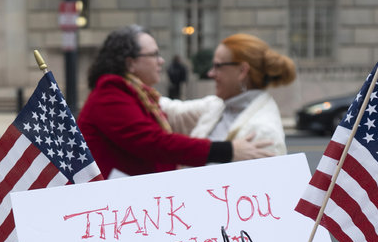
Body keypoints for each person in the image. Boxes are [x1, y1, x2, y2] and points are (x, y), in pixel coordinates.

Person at [77, 25, 273, 178]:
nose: (161, 61)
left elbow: (176, 114)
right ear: (131, 63)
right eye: (154, 55)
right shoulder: (110, 94)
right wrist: (227, 150)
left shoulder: (138, 94)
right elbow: (155, 143)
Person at [160, 33, 296, 156]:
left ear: (242, 71)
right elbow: (172, 111)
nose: (210, 73)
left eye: (217, 66)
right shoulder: (219, 105)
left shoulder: (265, 131)